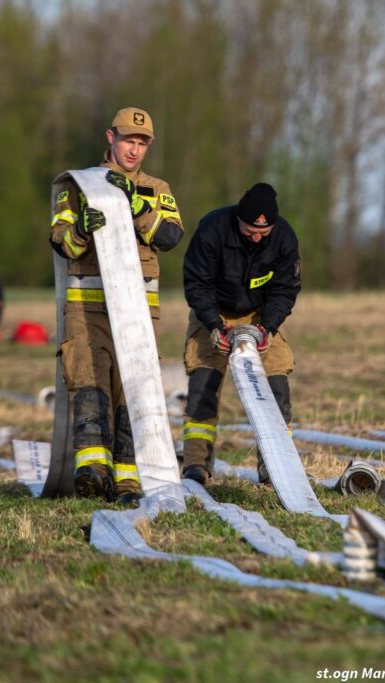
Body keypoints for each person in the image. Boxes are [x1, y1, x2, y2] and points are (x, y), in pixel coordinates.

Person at [49, 107, 184, 503]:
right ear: (110, 137)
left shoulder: (157, 188)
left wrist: (139, 209)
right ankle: (92, 472)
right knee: (88, 381)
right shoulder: (80, 185)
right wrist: (81, 229)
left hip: (138, 310)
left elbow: (171, 236)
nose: (135, 149)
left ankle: (127, 479)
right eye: (129, 140)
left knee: (133, 388)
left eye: (142, 143)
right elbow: (62, 244)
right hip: (86, 307)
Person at [180, 183, 301, 485]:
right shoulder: (212, 229)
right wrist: (213, 325)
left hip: (260, 316)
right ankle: (196, 464)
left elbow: (285, 290)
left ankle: (275, 466)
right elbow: (197, 285)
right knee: (202, 387)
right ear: (238, 220)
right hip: (214, 312)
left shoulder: (284, 237)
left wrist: (268, 327)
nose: (257, 237)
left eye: (264, 232)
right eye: (250, 231)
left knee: (276, 387)